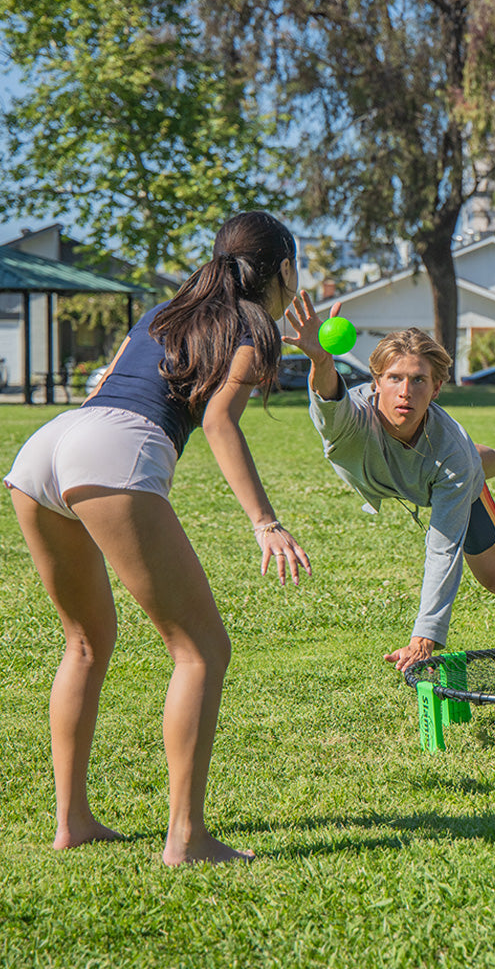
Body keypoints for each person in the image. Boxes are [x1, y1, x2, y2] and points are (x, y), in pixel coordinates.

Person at [5, 211, 311, 864]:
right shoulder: (253, 327)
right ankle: (186, 837)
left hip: (48, 449)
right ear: (284, 271)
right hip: (114, 452)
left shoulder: (161, 314)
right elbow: (221, 422)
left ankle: (72, 822)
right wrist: (266, 522)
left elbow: (110, 387)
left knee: (85, 643)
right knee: (202, 650)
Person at [285, 291, 495, 673]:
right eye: (394, 378)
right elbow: (327, 398)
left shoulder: (452, 452)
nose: (405, 391)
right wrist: (321, 360)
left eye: (419, 380)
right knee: (439, 461)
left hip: (451, 470)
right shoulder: (351, 420)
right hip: (411, 469)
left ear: (436, 389)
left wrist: (424, 638)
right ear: (376, 382)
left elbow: (443, 550)